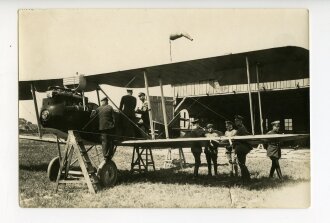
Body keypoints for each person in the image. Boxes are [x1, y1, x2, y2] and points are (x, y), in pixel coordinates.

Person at [233, 115, 253, 183]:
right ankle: (244, 178)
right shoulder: (241, 128)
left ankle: (247, 178)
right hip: (242, 148)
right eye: (235, 121)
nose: (236, 122)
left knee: (241, 164)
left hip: (241, 149)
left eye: (237, 121)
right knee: (242, 163)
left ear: (240, 121)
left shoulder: (241, 129)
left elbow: (237, 138)